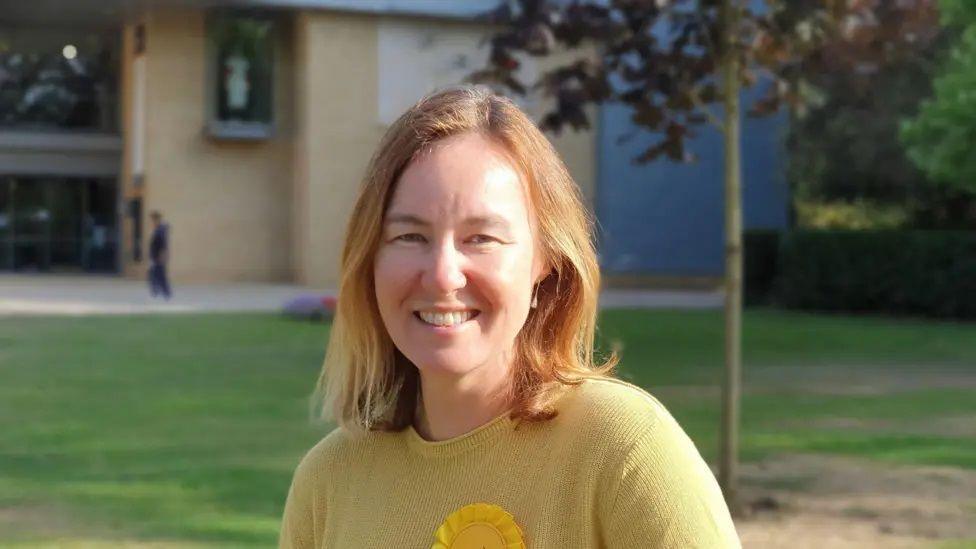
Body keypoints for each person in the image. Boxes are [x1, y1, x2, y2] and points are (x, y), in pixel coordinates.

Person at [279, 86, 740, 548]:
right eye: (409, 236)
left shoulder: (625, 450)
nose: (443, 276)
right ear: (370, 258)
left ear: (546, 262)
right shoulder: (327, 482)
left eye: (481, 238)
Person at [147, 210, 171, 300]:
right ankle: (158, 291)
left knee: (159, 275)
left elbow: (163, 245)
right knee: (155, 274)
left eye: (153, 220)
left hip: (158, 257)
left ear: (157, 219)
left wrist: (162, 257)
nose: (152, 222)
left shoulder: (160, 231)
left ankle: (164, 292)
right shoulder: (158, 230)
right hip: (155, 257)